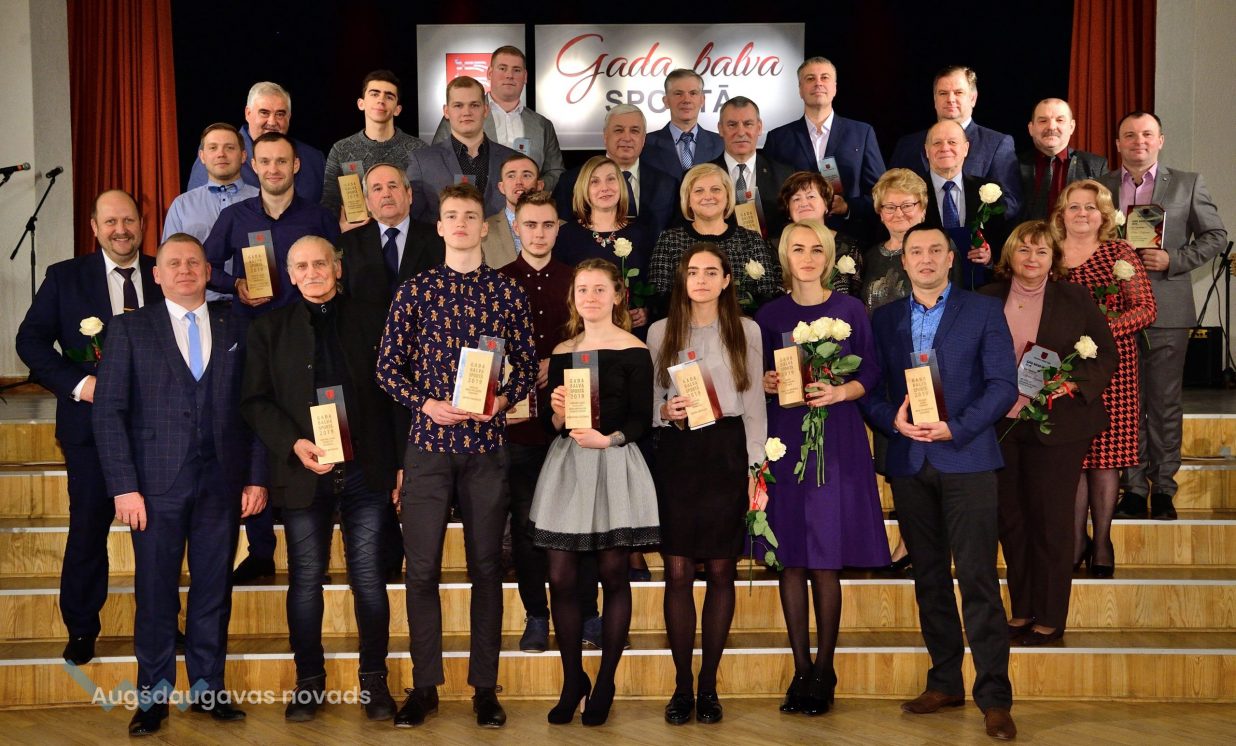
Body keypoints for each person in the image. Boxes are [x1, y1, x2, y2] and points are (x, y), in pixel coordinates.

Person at [376, 183, 537, 729]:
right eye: (452, 216)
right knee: (421, 571)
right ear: (440, 227)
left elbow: (526, 366)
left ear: (484, 227)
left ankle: (484, 689)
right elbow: (386, 369)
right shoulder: (415, 290)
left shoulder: (508, 292)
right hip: (427, 448)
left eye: (471, 215)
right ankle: (424, 687)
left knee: (486, 569)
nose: (462, 223)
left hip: (486, 449)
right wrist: (426, 403)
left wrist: (501, 404)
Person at [92, 234, 267, 736]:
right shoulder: (129, 328)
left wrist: (255, 476)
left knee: (214, 591)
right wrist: (124, 487)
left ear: (208, 271)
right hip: (153, 488)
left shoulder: (237, 325)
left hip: (222, 484)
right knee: (155, 594)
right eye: (174, 263)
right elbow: (109, 412)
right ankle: (153, 698)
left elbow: (255, 406)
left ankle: (209, 689)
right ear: (157, 274)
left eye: (194, 262)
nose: (185, 269)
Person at [861, 224, 1018, 741]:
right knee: (928, 578)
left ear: (952, 259)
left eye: (935, 250)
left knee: (977, 578)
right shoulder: (884, 319)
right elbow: (871, 391)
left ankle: (995, 699)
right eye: (915, 252)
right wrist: (891, 420)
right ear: (903, 261)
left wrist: (958, 426)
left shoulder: (983, 310)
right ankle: (945, 682)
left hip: (967, 458)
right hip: (910, 461)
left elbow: (1003, 386)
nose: (925, 259)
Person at [241, 236, 404, 722]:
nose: (312, 272)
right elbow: (254, 401)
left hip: (367, 472)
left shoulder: (374, 318)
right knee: (305, 582)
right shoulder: (269, 328)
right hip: (302, 473)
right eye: (302, 266)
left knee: (369, 580)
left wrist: (401, 465)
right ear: (290, 275)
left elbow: (396, 395)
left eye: (320, 263)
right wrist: (293, 443)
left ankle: (374, 680)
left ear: (337, 268)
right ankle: (309, 681)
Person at [15, 189, 163, 667]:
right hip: (89, 429)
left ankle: (161, 624)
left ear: (142, 224)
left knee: (158, 537)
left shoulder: (164, 274)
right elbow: (30, 341)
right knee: (87, 531)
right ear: (95, 228)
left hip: (160, 432)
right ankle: (81, 628)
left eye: (129, 220)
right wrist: (81, 385)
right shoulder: (65, 278)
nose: (122, 230)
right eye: (111, 222)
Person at [755, 221, 889, 716]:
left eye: (817, 249)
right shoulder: (769, 314)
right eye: (798, 249)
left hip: (837, 438)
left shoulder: (849, 309)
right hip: (786, 438)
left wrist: (840, 391)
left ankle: (825, 669)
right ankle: (800, 668)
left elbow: (871, 370)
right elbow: (758, 375)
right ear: (784, 257)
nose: (807, 257)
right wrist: (767, 382)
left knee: (825, 557)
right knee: (791, 556)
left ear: (829, 257)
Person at [527, 258, 659, 726]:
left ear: (617, 295)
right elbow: (552, 423)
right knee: (561, 578)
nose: (591, 297)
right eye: (583, 289)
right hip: (569, 467)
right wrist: (558, 413)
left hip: (615, 461)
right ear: (574, 297)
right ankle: (572, 680)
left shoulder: (635, 349)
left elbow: (643, 419)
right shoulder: (563, 350)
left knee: (614, 575)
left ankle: (605, 681)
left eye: (600, 289)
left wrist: (609, 439)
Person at [979, 221, 1117, 645]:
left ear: (1053, 258)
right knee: (1011, 521)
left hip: (1059, 426)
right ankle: (1022, 611)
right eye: (1023, 250)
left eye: (1041, 251)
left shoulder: (1075, 298)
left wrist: (1072, 383)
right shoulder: (985, 298)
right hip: (1001, 425)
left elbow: (1104, 354)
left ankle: (1051, 617)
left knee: (1052, 522)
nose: (1032, 258)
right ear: (1009, 255)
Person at [648, 243, 765, 724]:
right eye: (693, 271)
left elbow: (754, 403)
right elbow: (652, 403)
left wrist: (756, 468)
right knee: (677, 574)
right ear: (682, 279)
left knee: (721, 571)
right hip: (678, 453)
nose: (701, 280)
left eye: (711, 272)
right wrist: (665, 409)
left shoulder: (747, 329)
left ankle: (709, 686)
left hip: (726, 453)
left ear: (726, 280)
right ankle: (681, 687)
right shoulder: (660, 331)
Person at [1099, 111, 1229, 520]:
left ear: (1160, 140)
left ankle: (1164, 489)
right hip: (1115, 312)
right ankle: (1134, 488)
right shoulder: (1101, 187)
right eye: (1129, 135)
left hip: (1167, 309)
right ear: (1117, 143)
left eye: (1146, 134)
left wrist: (1174, 259)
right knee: (1126, 403)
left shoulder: (1188, 183)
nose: (1138, 141)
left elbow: (1216, 236)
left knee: (1164, 402)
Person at [1053, 180, 1157, 577]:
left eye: (1091, 207)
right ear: (1061, 214)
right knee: (1073, 457)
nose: (1082, 214)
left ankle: (1102, 542)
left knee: (1106, 458)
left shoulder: (1119, 252)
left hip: (1114, 369)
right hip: (1063, 370)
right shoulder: (1050, 253)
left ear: (1104, 216)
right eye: (1074, 207)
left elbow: (1145, 309)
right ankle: (1075, 540)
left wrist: (1099, 333)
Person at [495, 191, 577, 653]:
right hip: (519, 425)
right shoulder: (498, 281)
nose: (539, 233)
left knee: (576, 523)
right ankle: (536, 615)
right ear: (516, 228)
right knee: (528, 526)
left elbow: (596, 341)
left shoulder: (576, 280)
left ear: (558, 228)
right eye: (530, 224)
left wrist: (556, 360)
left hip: (574, 422)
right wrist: (523, 368)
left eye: (548, 224)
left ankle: (585, 612)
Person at [860, 168, 930, 574]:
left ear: (923, 208)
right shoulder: (868, 257)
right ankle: (910, 538)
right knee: (895, 460)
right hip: (883, 370)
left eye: (908, 205)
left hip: (925, 367)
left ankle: (913, 543)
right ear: (879, 212)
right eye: (890, 207)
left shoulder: (936, 251)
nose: (899, 213)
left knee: (924, 458)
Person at [204, 132, 339, 320]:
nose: (273, 170)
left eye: (281, 161)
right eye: (265, 162)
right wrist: (235, 284)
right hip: (252, 327)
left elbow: (342, 267)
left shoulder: (320, 217)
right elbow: (205, 268)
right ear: (254, 166)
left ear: (296, 165)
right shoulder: (234, 217)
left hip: (309, 326)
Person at [764, 56, 886, 239]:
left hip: (849, 238)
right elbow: (772, 196)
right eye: (810, 78)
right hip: (795, 240)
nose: (818, 83)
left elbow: (880, 193)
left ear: (835, 87)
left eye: (825, 77)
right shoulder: (779, 138)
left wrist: (847, 207)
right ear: (800, 89)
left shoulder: (862, 133)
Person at [889, 66, 1021, 219]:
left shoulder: (997, 144)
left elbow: (1011, 202)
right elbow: (889, 195)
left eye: (958, 93)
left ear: (973, 98)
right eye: (943, 93)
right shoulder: (907, 145)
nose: (950, 99)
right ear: (935, 99)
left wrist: (971, 225)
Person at [648, 163, 781, 310]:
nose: (708, 196)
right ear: (688, 199)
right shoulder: (670, 240)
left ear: (728, 196)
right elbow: (659, 299)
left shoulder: (751, 240)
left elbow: (767, 295)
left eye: (715, 189)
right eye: (699, 191)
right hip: (683, 322)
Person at [432, 46, 565, 191]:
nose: (509, 75)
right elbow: (437, 163)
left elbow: (555, 171)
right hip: (474, 202)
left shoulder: (542, 125)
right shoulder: (460, 116)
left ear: (525, 76)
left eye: (516, 70)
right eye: (502, 68)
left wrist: (536, 188)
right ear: (490, 73)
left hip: (527, 203)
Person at [554, 155, 655, 332]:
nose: (605, 188)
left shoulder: (641, 233)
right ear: (584, 189)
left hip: (630, 333)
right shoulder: (565, 236)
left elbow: (652, 284)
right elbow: (560, 292)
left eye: (611, 179)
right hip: (582, 333)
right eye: (595, 182)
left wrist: (647, 311)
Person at [164, 123, 260, 302]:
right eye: (213, 148)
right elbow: (169, 262)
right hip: (199, 305)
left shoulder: (261, 201)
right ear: (202, 156)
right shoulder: (182, 206)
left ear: (243, 156)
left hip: (255, 304)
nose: (221, 154)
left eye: (229, 148)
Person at [554, 104, 681, 238]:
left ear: (643, 139)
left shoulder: (667, 185)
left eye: (634, 131)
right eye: (619, 130)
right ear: (605, 136)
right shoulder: (571, 181)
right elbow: (561, 232)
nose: (627, 138)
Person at [187, 81, 326, 203]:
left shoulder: (313, 159)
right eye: (264, 113)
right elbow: (198, 210)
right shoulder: (218, 156)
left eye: (280, 114)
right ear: (248, 113)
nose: (272, 122)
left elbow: (326, 213)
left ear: (289, 117)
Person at [321, 70, 427, 220]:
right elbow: (329, 201)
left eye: (389, 96)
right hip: (356, 233)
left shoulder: (419, 149)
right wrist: (340, 225)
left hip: (408, 232)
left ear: (397, 109)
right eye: (374, 94)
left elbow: (426, 203)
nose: (381, 100)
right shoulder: (341, 149)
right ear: (361, 103)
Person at [409, 76, 518, 221]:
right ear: (446, 111)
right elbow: (414, 220)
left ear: (486, 110)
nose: (466, 112)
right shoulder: (422, 161)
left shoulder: (512, 159)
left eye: (474, 105)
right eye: (458, 105)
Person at [337, 162, 445, 307]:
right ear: (367, 203)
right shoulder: (348, 243)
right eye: (377, 189)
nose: (386, 194)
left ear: (409, 195)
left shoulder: (439, 240)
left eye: (393, 186)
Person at [920, 120, 1011, 289]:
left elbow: (1002, 242)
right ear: (927, 150)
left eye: (952, 142)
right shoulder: (913, 193)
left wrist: (989, 257)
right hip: (926, 288)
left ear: (966, 148)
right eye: (937, 143)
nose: (945, 148)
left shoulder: (989, 190)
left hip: (978, 289)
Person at [709, 96, 795, 241]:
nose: (741, 132)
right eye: (732, 125)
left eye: (748, 124)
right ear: (720, 129)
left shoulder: (785, 175)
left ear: (759, 127)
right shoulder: (700, 176)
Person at [1017, 99, 1107, 220]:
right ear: (1031, 128)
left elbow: (1104, 214)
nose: (1051, 127)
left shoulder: (1095, 166)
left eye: (1060, 120)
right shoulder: (1013, 165)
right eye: (1043, 121)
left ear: (1071, 127)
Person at [777, 171, 863, 297]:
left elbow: (856, 297)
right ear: (788, 209)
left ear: (826, 205)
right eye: (796, 199)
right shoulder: (774, 247)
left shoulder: (848, 246)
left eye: (811, 196)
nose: (804, 203)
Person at [642, 68, 724, 176]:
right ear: (666, 101)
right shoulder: (645, 144)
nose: (686, 100)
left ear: (702, 100)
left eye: (693, 93)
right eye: (678, 94)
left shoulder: (721, 144)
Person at [482, 153, 543, 268]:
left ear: (540, 185)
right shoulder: (483, 229)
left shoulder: (562, 229)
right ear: (501, 187)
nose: (518, 182)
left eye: (526, 175)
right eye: (511, 176)